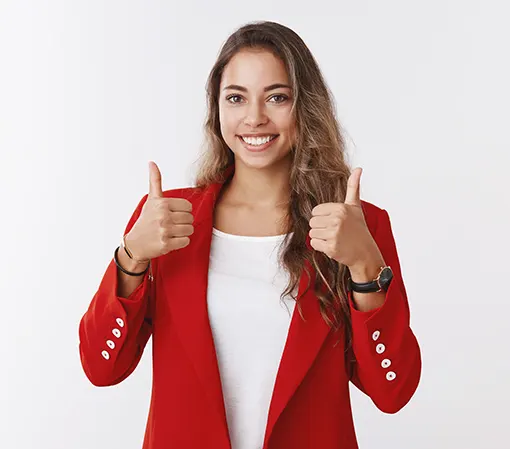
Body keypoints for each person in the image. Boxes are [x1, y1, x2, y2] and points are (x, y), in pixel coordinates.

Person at [78, 20, 421, 449]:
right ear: (216, 110)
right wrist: (131, 257)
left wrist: (365, 268)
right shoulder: (167, 220)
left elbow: (393, 392)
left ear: (305, 107)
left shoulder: (357, 225)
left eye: (277, 97)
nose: (254, 117)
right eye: (236, 98)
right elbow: (101, 367)